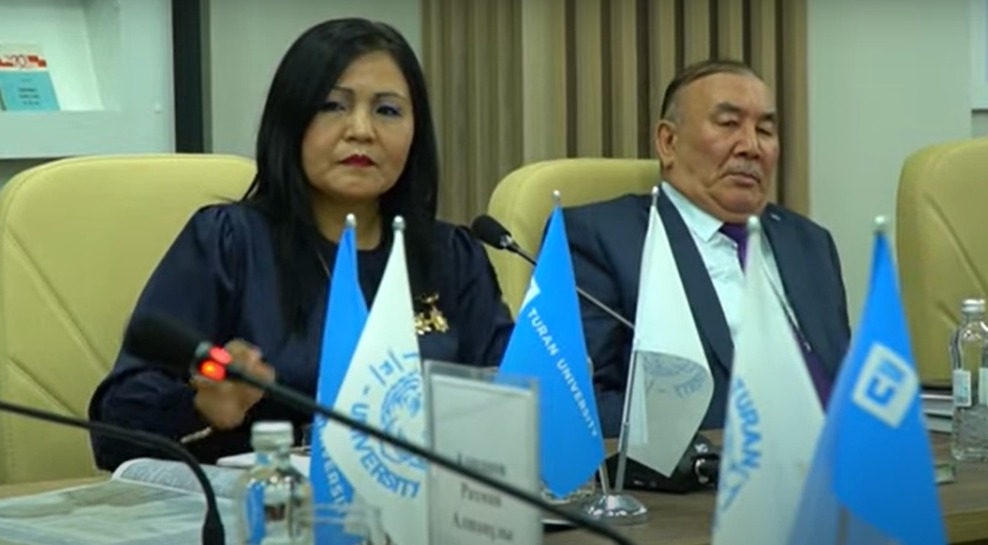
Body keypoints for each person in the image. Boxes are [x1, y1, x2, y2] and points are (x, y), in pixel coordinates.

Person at [88, 18, 513, 470]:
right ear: (291, 121)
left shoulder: (451, 256)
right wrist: (199, 406)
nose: (361, 130)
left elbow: (512, 396)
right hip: (265, 504)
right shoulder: (229, 243)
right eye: (333, 106)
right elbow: (114, 427)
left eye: (388, 111)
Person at [563, 59, 851, 437]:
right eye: (729, 124)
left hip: (841, 458)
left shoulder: (809, 243)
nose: (751, 147)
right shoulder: (603, 238)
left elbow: (841, 378)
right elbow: (578, 404)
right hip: (723, 464)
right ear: (668, 142)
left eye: (765, 130)